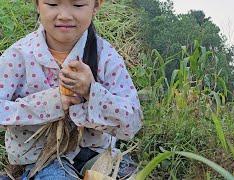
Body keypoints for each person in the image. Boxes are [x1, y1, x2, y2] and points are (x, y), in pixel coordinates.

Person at [0, 0, 142, 179]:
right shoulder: (18, 56)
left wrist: (92, 91)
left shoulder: (106, 57)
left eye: (78, 5)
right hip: (39, 159)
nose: (65, 15)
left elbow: (133, 122)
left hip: (96, 155)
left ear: (96, 6)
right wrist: (51, 102)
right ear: (37, 4)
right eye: (52, 4)